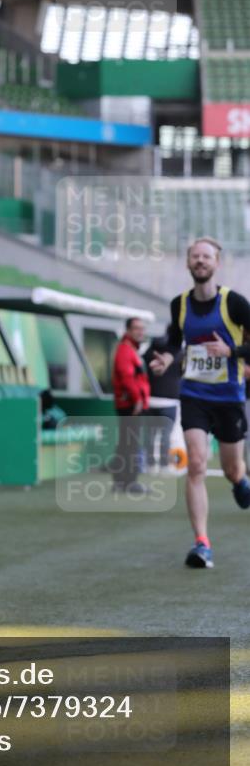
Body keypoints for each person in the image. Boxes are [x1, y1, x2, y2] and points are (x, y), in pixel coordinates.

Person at [150, 238, 250, 568]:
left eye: (206, 256)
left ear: (216, 263)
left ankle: (240, 480)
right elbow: (176, 341)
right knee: (196, 464)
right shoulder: (179, 304)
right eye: (195, 256)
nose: (200, 261)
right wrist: (167, 358)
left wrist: (231, 352)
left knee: (233, 468)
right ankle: (202, 543)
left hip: (229, 397)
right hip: (194, 394)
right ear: (188, 264)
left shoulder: (235, 303)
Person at [110, 317, 151, 492]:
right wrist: (137, 400)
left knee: (127, 443)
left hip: (130, 403)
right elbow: (126, 377)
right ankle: (128, 481)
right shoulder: (126, 350)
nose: (140, 332)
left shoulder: (131, 349)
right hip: (130, 404)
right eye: (136, 328)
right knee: (130, 444)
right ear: (127, 330)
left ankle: (121, 481)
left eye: (142, 328)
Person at [144, 334, 181, 472]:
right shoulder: (177, 358)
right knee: (165, 435)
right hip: (168, 402)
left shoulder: (148, 355)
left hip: (151, 401)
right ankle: (164, 464)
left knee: (150, 435)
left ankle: (150, 464)